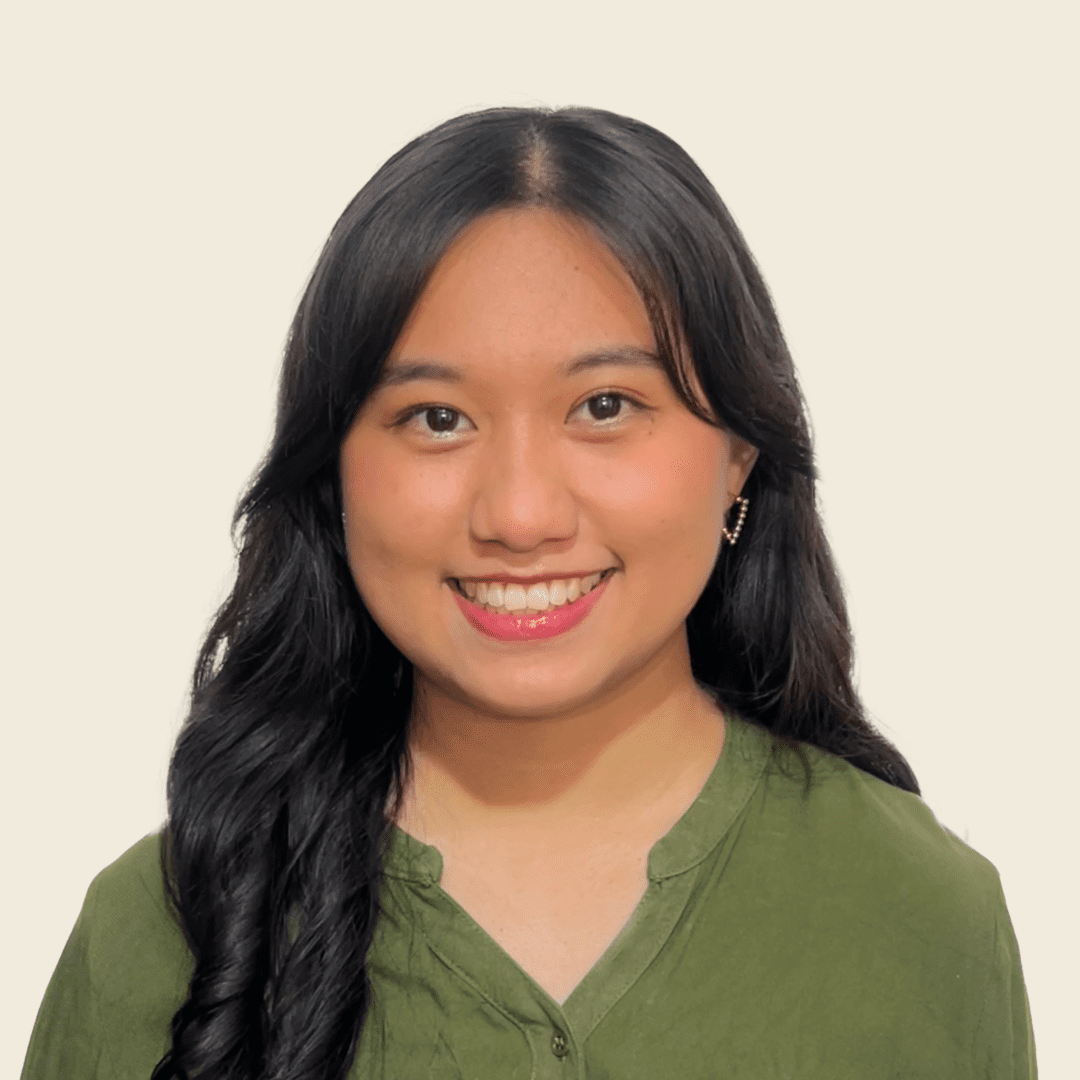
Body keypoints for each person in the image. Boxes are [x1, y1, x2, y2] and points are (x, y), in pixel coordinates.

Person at [21, 105, 1037, 1079]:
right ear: (332, 474)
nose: (518, 513)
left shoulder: (922, 915)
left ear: (739, 458)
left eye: (605, 406)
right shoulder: (165, 932)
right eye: (435, 418)